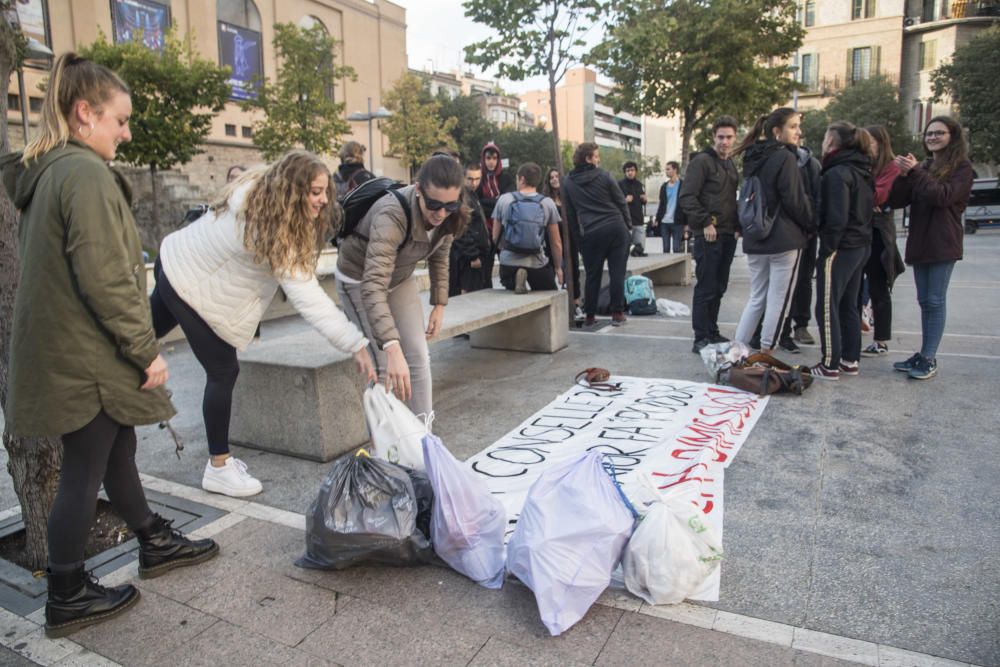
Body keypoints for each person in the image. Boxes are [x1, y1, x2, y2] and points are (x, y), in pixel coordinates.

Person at [1, 52, 218, 638]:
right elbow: (107, 277)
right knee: (84, 469)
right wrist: (144, 350)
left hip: (69, 351)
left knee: (116, 447)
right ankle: (67, 594)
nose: (126, 131)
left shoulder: (52, 171)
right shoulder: (85, 175)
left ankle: (151, 540)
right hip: (84, 357)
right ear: (83, 114)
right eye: (120, 120)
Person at [151, 151, 376, 496]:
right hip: (190, 286)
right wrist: (354, 342)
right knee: (223, 371)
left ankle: (93, 374)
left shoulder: (260, 194)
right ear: (294, 189)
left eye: (325, 191)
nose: (323, 199)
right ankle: (219, 467)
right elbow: (308, 297)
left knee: (137, 337)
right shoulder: (273, 229)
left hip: (175, 263)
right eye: (315, 192)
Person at [336, 155, 468, 414]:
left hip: (399, 277)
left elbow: (440, 254)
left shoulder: (453, 213)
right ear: (418, 189)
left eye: (449, 205)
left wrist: (439, 304)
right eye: (433, 204)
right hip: (360, 279)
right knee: (384, 368)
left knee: (419, 358)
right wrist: (391, 344)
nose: (441, 213)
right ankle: (384, 449)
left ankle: (422, 441)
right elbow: (373, 286)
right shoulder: (392, 214)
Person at [888, 116, 974, 380]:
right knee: (924, 301)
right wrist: (904, 176)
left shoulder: (962, 168)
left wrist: (916, 172)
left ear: (952, 136)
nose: (933, 137)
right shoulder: (924, 166)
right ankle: (924, 352)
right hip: (921, 241)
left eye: (940, 133)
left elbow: (943, 196)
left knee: (935, 301)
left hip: (943, 242)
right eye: (929, 133)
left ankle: (928, 358)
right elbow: (897, 200)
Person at [732, 108, 814, 354]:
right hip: (784, 238)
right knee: (779, 300)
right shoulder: (786, 157)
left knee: (757, 297)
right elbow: (794, 198)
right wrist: (811, 224)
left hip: (756, 236)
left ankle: (737, 350)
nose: (798, 132)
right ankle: (766, 352)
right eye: (793, 126)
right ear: (777, 132)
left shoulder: (752, 156)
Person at [810, 121, 875, 380]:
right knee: (849, 304)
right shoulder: (861, 170)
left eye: (826, 138)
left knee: (827, 306)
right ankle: (850, 359)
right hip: (860, 245)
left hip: (842, 246)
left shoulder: (837, 174)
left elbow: (836, 218)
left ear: (832, 143)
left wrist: (827, 248)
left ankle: (829, 363)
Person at [680, 116, 740, 353]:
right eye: (720, 137)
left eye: (729, 137)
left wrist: (737, 227)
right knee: (706, 285)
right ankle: (701, 336)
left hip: (727, 234)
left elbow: (732, 200)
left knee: (719, 286)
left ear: (735, 138)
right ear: (713, 137)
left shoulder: (731, 164)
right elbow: (687, 197)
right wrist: (705, 222)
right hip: (708, 234)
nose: (724, 142)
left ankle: (712, 331)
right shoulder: (702, 162)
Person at [561, 142, 632, 327]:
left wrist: (579, 240)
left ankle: (590, 315)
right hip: (616, 228)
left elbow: (569, 215)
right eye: (596, 156)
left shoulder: (568, 182)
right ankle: (617, 313)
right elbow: (621, 202)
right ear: (588, 159)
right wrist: (628, 225)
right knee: (618, 272)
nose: (599, 159)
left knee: (593, 275)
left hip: (591, 233)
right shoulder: (605, 176)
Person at [860, 125, 905, 357]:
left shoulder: (891, 167)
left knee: (878, 285)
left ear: (880, 142)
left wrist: (865, 197)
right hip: (861, 229)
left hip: (878, 232)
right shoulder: (863, 164)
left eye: (870, 141)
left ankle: (881, 340)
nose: (866, 145)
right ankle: (860, 323)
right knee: (856, 284)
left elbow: (879, 195)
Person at [492, 162, 564, 293]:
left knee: (509, 287)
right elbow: (556, 242)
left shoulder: (504, 199)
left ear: (522, 179)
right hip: (536, 261)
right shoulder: (547, 203)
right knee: (548, 292)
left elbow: (495, 236)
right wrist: (558, 268)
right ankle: (524, 273)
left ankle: (514, 280)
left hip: (508, 261)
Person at [543, 167, 583, 320]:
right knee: (551, 269)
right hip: (551, 239)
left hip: (570, 238)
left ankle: (576, 303)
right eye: (551, 177)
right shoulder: (546, 199)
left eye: (557, 176)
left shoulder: (568, 197)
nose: (554, 179)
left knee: (573, 271)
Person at [449, 163, 492, 295]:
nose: (474, 183)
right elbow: (460, 229)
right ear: (463, 178)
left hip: (476, 256)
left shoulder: (472, 195)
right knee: (467, 297)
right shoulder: (462, 196)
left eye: (477, 179)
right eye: (470, 179)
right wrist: (472, 256)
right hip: (467, 260)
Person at [654, 161, 686, 253]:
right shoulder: (664, 186)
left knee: (677, 248)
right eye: (666, 169)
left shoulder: (682, 185)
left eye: (668, 169)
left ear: (675, 170)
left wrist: (686, 223)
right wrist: (657, 219)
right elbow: (662, 204)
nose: (666, 171)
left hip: (677, 222)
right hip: (664, 222)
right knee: (666, 248)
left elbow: (686, 205)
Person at [619, 161, 648, 257]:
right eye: (627, 170)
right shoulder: (619, 185)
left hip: (638, 219)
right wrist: (624, 200)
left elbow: (643, 202)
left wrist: (644, 199)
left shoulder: (639, 184)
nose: (630, 172)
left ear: (635, 171)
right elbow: (613, 202)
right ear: (624, 172)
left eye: (632, 170)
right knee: (625, 250)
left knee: (640, 249)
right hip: (625, 221)